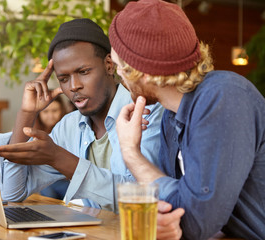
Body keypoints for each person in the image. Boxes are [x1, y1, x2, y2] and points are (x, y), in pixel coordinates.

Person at [0, 18, 184, 239]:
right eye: (63, 78)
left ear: (109, 65)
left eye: (83, 71)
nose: (74, 86)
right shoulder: (69, 126)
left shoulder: (147, 111)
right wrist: (26, 114)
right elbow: (13, 193)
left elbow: (143, 196)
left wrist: (59, 158)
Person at [108, 0, 265, 239]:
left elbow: (195, 223)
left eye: (119, 67)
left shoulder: (224, 96)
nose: (118, 75)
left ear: (143, 73)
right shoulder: (170, 118)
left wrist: (131, 153)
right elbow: (175, 213)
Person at [34, 97, 71, 199]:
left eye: (54, 111)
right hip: (41, 180)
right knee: (49, 194)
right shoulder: (32, 133)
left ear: (61, 110)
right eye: (45, 112)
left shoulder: (69, 131)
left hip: (63, 180)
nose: (50, 116)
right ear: (39, 114)